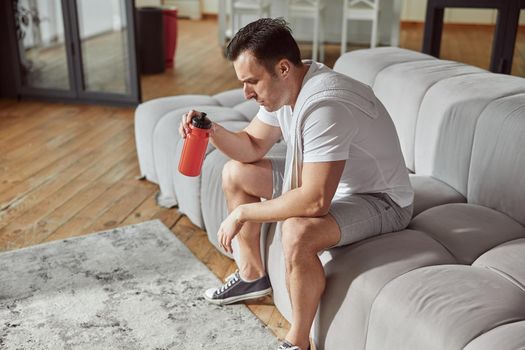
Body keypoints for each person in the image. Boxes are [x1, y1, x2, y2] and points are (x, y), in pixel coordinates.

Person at [179, 18, 413, 350]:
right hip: (328, 182)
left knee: (297, 230)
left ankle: (298, 341)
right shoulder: (286, 87)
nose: (246, 93)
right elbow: (251, 145)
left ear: (284, 68)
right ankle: (252, 275)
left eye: (251, 82)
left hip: (381, 201)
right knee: (235, 172)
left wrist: (243, 213)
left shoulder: (325, 104)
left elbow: (315, 202)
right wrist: (211, 130)